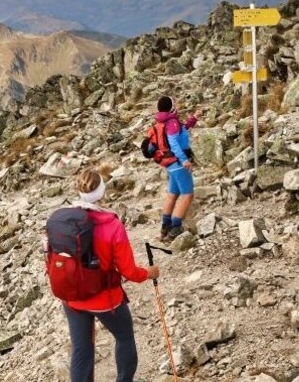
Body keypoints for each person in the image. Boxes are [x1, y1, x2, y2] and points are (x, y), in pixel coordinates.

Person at [62, 170, 160, 382]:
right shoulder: (112, 224)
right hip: (105, 298)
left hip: (72, 296)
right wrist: (149, 273)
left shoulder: (62, 220)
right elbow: (129, 272)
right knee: (124, 337)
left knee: (82, 348)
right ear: (102, 192)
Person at [155, 95, 200, 242]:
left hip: (170, 164)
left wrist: (193, 118)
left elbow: (182, 131)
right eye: (175, 103)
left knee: (172, 195)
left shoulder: (166, 121)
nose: (178, 105)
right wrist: (184, 160)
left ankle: (165, 228)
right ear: (171, 107)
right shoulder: (172, 122)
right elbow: (174, 142)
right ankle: (175, 228)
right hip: (178, 163)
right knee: (187, 195)